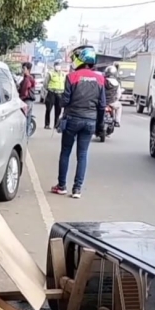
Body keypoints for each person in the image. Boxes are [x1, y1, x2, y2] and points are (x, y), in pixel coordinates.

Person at [51, 46, 106, 199]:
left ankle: (61, 186)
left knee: (66, 152)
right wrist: (99, 126)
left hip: (72, 119)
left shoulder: (72, 77)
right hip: (90, 121)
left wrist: (62, 101)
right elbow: (102, 105)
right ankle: (77, 189)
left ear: (80, 60)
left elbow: (65, 101)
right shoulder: (100, 79)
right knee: (82, 154)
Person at [43, 60, 66, 129]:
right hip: (51, 93)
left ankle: (56, 125)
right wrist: (49, 89)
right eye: (56, 65)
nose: (58, 66)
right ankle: (47, 124)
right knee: (48, 109)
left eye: (59, 65)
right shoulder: (50, 73)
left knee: (58, 110)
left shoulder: (63, 74)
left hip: (60, 93)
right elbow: (45, 83)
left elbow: (65, 83)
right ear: (54, 66)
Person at [18, 62, 36, 134]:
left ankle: (25, 135)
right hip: (29, 101)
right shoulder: (29, 78)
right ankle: (27, 134)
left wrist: (20, 99)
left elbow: (24, 92)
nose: (22, 70)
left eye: (24, 68)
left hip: (26, 101)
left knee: (24, 119)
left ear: (28, 69)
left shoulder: (27, 79)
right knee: (27, 119)